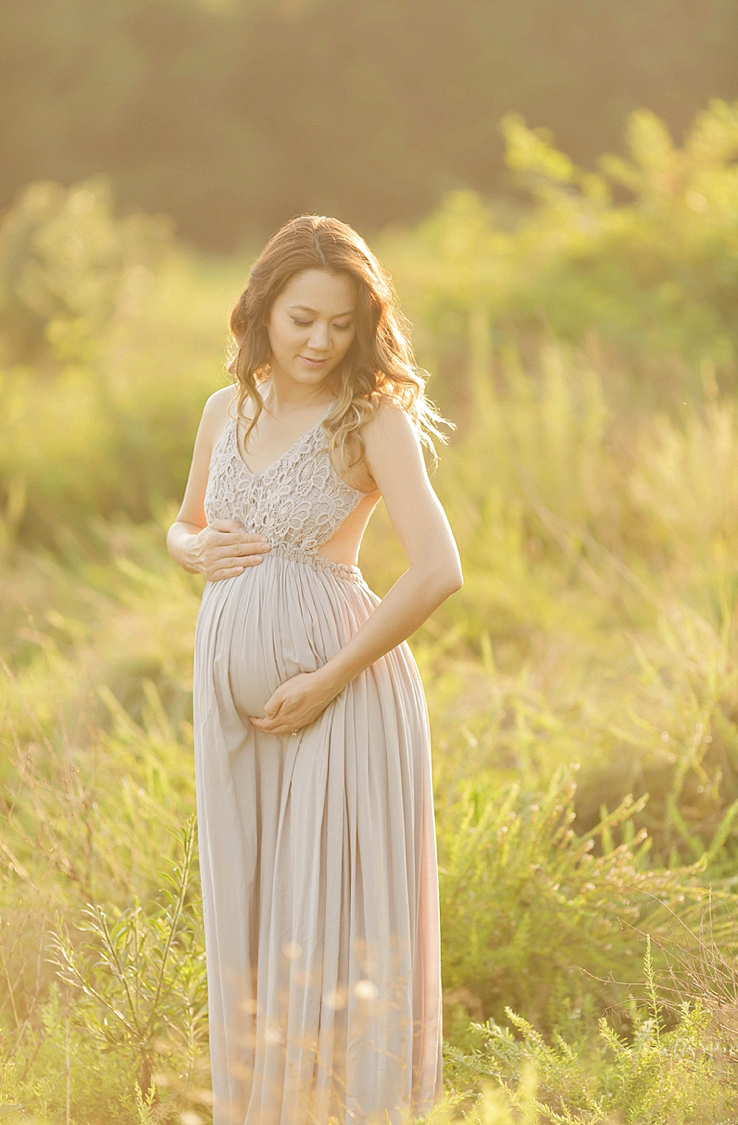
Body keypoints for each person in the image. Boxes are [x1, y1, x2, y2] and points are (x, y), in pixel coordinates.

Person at [167, 215, 461, 1123]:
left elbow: (438, 568)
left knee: (328, 924)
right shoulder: (230, 408)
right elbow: (183, 524)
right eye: (301, 319)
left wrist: (331, 677)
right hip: (232, 709)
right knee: (252, 920)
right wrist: (194, 551)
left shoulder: (372, 420)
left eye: (340, 323)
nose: (319, 340)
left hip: (341, 697)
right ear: (261, 309)